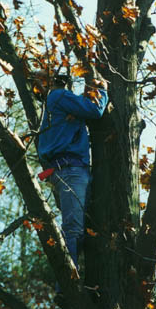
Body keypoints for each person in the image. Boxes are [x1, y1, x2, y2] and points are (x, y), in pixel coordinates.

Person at [37, 72, 108, 272]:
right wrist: (101, 91)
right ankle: (69, 281)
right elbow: (94, 110)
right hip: (70, 171)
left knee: (78, 228)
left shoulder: (52, 109)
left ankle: (74, 274)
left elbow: (80, 110)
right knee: (73, 229)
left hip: (65, 171)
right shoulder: (58, 95)